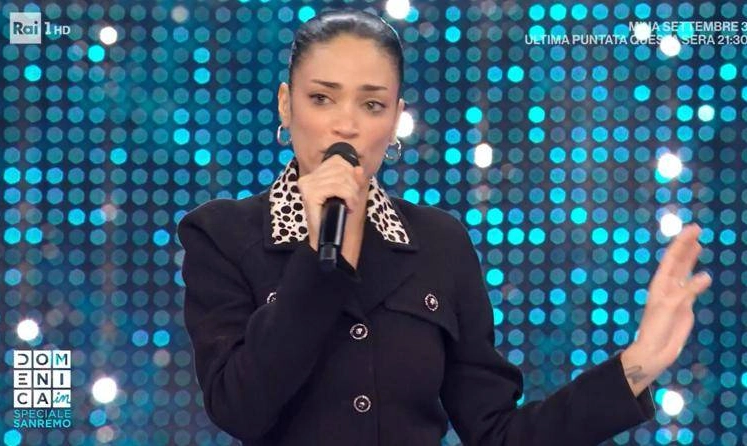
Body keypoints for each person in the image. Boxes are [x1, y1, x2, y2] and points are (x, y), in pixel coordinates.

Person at [176, 8, 713, 446]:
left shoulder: (439, 243)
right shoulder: (223, 235)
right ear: (285, 105)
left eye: (371, 104)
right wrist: (320, 259)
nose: (346, 124)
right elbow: (240, 408)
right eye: (322, 98)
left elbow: (497, 434)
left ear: (395, 120)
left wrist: (635, 366)